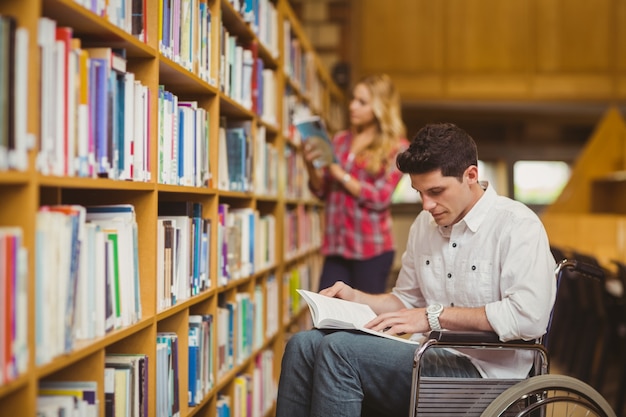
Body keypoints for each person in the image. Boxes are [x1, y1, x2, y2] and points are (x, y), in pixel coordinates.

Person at [276, 122, 557, 417]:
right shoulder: (425, 225)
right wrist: (357, 298)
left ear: (471, 175)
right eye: (419, 192)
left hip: (489, 376)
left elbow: (529, 317)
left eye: (436, 191)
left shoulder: (517, 225)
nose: (427, 205)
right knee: (302, 344)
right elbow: (405, 300)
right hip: (430, 356)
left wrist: (432, 317)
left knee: (339, 351)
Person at [303, 73, 409, 293]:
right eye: (353, 99)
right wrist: (310, 165)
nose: (352, 106)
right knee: (325, 313)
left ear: (380, 107)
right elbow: (322, 191)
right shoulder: (340, 140)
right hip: (336, 246)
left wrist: (337, 172)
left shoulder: (397, 148)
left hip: (371, 249)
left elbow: (380, 197)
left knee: (364, 321)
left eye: (362, 102)